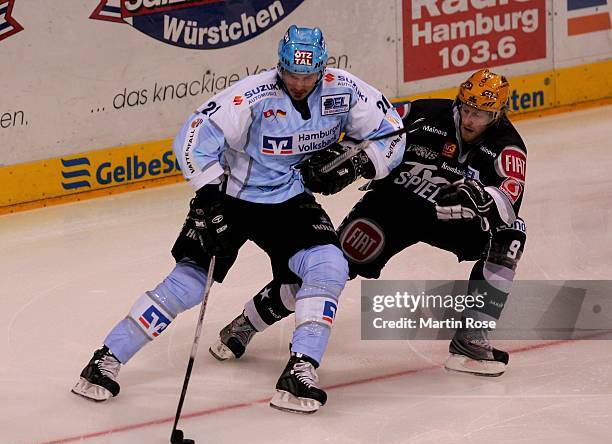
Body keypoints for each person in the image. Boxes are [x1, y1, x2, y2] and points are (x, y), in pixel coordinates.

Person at [71, 25, 405, 413]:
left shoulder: (344, 90)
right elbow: (193, 136)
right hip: (231, 198)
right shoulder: (252, 95)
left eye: (308, 75)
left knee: (329, 266)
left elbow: (391, 132)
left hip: (289, 199)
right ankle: (105, 360)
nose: (299, 84)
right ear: (279, 66)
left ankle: (300, 370)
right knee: (189, 285)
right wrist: (209, 198)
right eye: (291, 74)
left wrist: (358, 163)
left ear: (323, 67)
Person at [210, 68, 527, 377]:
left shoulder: (508, 148)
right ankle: (247, 322)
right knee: (331, 265)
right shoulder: (424, 113)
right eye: (467, 109)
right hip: (393, 207)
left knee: (511, 235)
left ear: (498, 114)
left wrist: (481, 198)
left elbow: (508, 203)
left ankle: (471, 339)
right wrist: (346, 159)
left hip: (450, 219)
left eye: (481, 114)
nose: (470, 120)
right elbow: (373, 134)